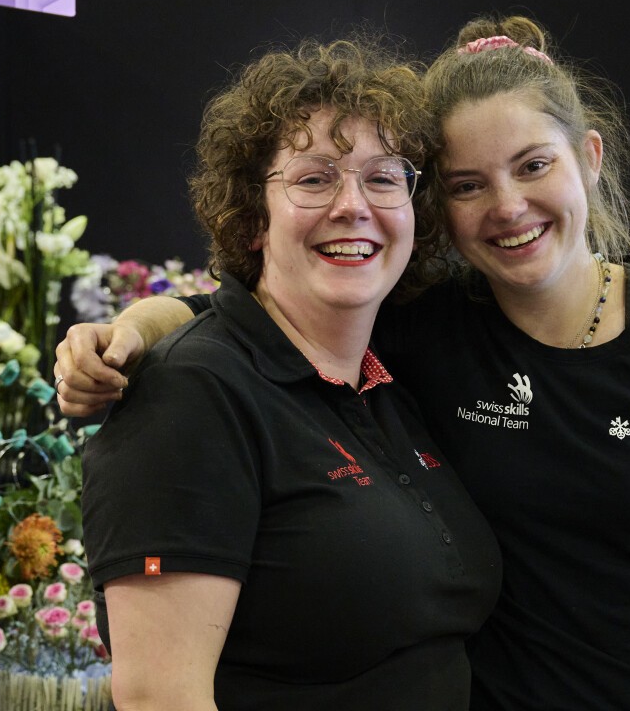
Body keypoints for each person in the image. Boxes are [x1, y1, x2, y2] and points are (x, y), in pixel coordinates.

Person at [60, 16, 630, 711]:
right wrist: (128, 331)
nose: (508, 205)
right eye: (467, 185)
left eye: (532, 165)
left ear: (588, 159)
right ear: (439, 208)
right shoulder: (428, 326)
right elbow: (243, 318)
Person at [80, 38, 503, 711]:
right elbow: (161, 699)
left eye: (384, 177)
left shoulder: (383, 385)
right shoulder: (191, 395)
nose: (353, 205)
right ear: (253, 220)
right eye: (314, 178)